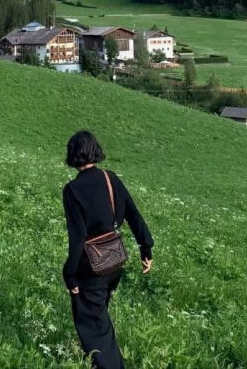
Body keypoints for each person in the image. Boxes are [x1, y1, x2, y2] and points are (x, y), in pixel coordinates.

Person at [62, 130, 154, 369]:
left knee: (94, 327)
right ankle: (96, 361)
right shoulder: (110, 178)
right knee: (98, 318)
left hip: (91, 266)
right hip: (114, 261)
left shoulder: (72, 190)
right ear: (96, 151)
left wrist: (69, 275)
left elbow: (78, 237)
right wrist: (146, 248)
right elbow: (133, 214)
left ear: (72, 155)